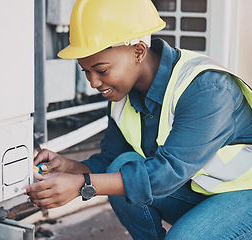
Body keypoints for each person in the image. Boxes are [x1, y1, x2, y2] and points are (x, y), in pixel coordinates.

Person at [23, 0, 252, 239]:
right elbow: (111, 161)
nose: (93, 83)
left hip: (246, 195)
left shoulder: (207, 89)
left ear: (139, 52)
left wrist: (82, 184)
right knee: (121, 166)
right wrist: (69, 168)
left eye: (101, 70)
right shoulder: (122, 95)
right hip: (201, 191)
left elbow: (169, 171)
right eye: (86, 71)